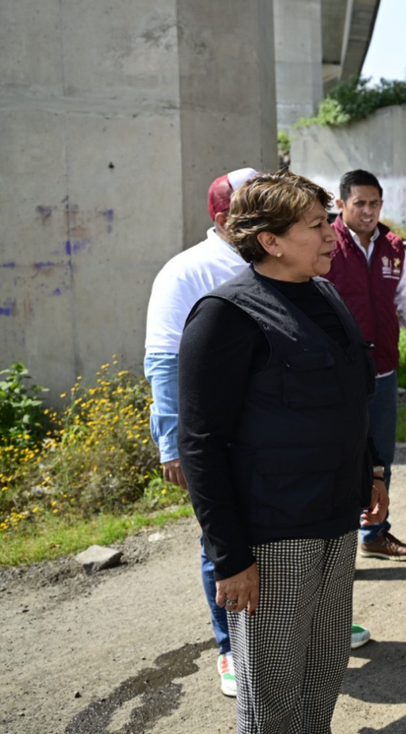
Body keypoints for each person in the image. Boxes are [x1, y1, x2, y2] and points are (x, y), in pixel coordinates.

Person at [178, 170, 388, 731]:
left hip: (335, 520)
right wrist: (230, 555)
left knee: (324, 667)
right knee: (272, 687)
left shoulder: (322, 293)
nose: (330, 236)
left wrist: (372, 469)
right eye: (318, 225)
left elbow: (349, 396)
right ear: (269, 241)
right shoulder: (226, 315)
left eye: (329, 223)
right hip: (274, 534)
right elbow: (200, 445)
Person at [144, 167, 255, 697]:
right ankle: (231, 647)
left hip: (271, 431)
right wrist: (172, 444)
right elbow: (163, 361)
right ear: (222, 219)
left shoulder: (274, 258)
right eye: (249, 208)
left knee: (286, 530)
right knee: (222, 539)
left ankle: (297, 627)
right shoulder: (186, 271)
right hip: (215, 435)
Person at [323, 169, 406, 563]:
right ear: (340, 204)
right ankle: (333, 546)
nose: (368, 211)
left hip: (382, 370)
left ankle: (374, 532)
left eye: (374, 204)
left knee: (380, 459)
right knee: (335, 456)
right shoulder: (324, 243)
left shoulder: (392, 246)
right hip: (335, 376)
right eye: (359, 204)